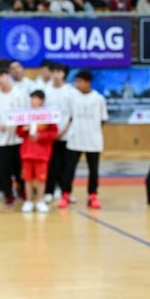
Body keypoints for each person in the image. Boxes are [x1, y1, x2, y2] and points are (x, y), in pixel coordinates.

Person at [0, 63, 29, 208]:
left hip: (19, 137)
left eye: (2, 75)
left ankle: (22, 190)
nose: (0, 79)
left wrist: (23, 126)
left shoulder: (20, 92)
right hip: (3, 139)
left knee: (19, 167)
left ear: (8, 76)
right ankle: (8, 194)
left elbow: (27, 112)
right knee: (4, 169)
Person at [64, 69, 106, 209]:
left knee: (93, 169)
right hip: (75, 138)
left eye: (80, 81)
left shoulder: (98, 99)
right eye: (76, 81)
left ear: (88, 82)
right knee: (69, 168)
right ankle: (66, 194)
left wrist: (93, 130)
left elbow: (102, 120)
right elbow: (69, 117)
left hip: (93, 140)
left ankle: (92, 195)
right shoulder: (72, 97)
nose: (77, 84)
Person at [16, 90, 57, 213]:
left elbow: (53, 133)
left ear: (41, 100)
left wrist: (40, 135)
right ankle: (28, 201)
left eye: (35, 99)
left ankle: (40, 200)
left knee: (41, 179)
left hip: (42, 153)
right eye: (31, 98)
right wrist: (24, 129)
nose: (32, 101)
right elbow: (18, 132)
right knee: (27, 178)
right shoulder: (25, 115)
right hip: (27, 152)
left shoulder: (48, 116)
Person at [44, 63, 76, 206]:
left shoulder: (70, 91)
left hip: (66, 134)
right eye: (54, 72)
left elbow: (72, 115)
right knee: (51, 165)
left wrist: (63, 131)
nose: (56, 75)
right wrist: (50, 132)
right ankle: (49, 192)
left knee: (66, 165)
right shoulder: (46, 90)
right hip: (49, 135)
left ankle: (65, 192)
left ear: (64, 74)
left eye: (60, 72)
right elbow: (42, 113)